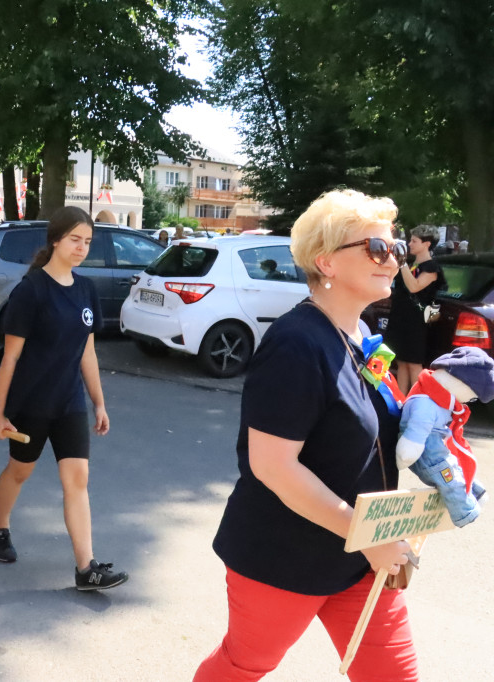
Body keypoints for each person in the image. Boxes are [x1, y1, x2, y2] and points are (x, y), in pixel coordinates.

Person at [193, 189, 417, 681]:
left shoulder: (360, 333)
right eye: (376, 249)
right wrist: (366, 535)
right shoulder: (295, 343)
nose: (392, 261)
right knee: (244, 665)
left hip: (361, 556)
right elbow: (272, 466)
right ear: (326, 262)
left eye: (395, 250)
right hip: (285, 556)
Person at [0, 205, 128, 592]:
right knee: (20, 472)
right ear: (55, 241)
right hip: (31, 402)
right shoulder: (30, 291)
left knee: (77, 479)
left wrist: (99, 402)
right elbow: (11, 357)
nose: (81, 248)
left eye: (87, 241)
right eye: (74, 240)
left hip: (69, 401)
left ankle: (87, 568)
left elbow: (88, 352)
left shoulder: (85, 289)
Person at [384, 225, 446, 394]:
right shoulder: (411, 264)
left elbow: (414, 287)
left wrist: (402, 263)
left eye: (414, 241)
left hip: (417, 321)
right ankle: (401, 401)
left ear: (426, 244)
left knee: (414, 362)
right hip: (401, 317)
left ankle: (417, 400)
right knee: (402, 362)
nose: (409, 244)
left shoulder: (431, 267)